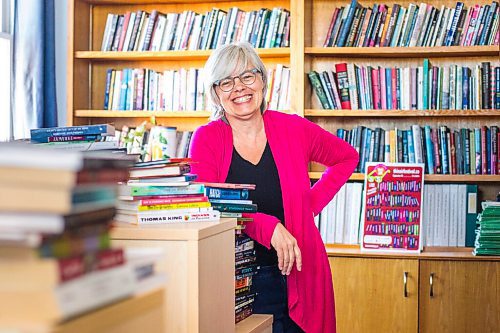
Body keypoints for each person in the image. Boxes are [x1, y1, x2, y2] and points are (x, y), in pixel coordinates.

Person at [189, 42, 359, 333]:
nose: (239, 88)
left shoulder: (294, 128)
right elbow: (208, 203)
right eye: (226, 81)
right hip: (239, 280)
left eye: (248, 76)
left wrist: (309, 205)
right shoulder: (206, 138)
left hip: (302, 270)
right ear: (216, 92)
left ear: (263, 81)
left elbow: (346, 158)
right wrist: (266, 226)